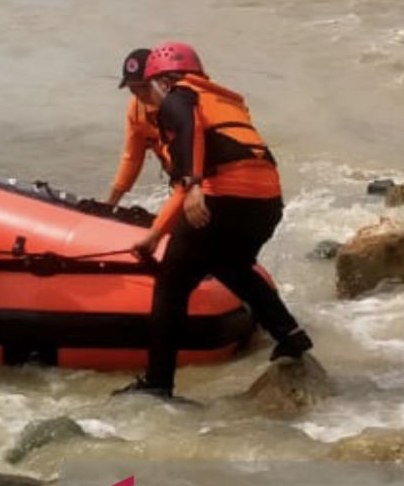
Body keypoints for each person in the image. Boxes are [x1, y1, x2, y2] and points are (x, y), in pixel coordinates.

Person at [116, 42, 313, 398]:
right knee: (232, 265)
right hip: (266, 203)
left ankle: (157, 383)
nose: (148, 97)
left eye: (148, 87)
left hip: (225, 198)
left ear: (162, 79)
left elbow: (187, 130)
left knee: (171, 285)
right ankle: (291, 335)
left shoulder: (178, 96)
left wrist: (190, 188)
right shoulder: (221, 99)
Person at [105, 48, 171, 207]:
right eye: (133, 89)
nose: (139, 94)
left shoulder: (182, 105)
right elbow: (132, 158)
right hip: (179, 179)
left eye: (144, 87)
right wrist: (109, 205)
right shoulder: (136, 111)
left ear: (162, 83)